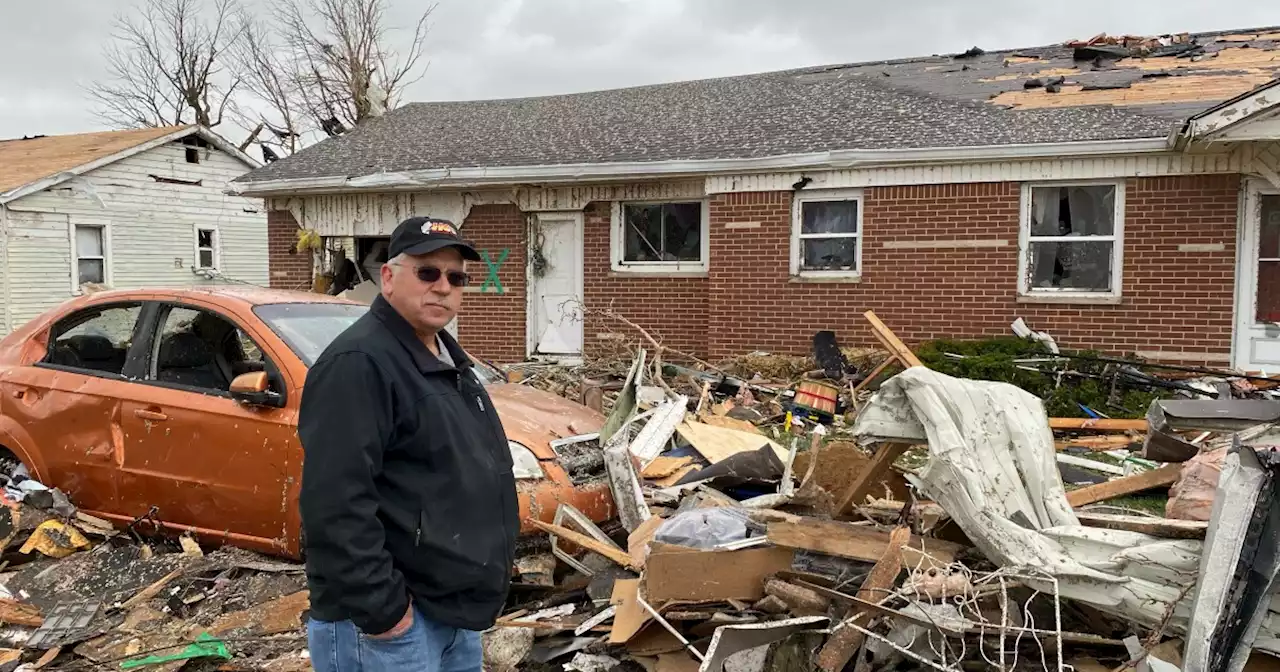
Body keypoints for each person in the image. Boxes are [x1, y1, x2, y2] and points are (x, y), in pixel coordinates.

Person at [298, 216, 518, 672]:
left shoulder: (443, 358)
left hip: (447, 613)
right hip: (389, 627)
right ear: (389, 277)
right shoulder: (359, 363)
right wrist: (386, 614)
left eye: (456, 277)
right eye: (428, 272)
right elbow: (335, 504)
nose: (443, 287)